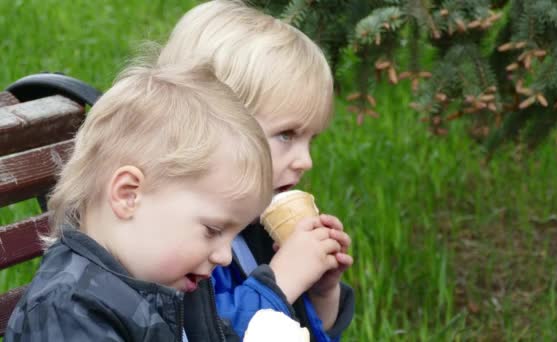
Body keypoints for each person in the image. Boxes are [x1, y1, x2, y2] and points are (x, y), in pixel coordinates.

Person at [5, 63, 277, 341]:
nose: (225, 256)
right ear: (128, 195)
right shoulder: (67, 310)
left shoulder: (170, 283)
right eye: (213, 230)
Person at [156, 1, 355, 341]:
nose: (304, 160)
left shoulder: (255, 231)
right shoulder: (174, 245)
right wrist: (281, 282)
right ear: (209, 128)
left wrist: (320, 291)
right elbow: (195, 332)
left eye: (311, 139)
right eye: (286, 135)